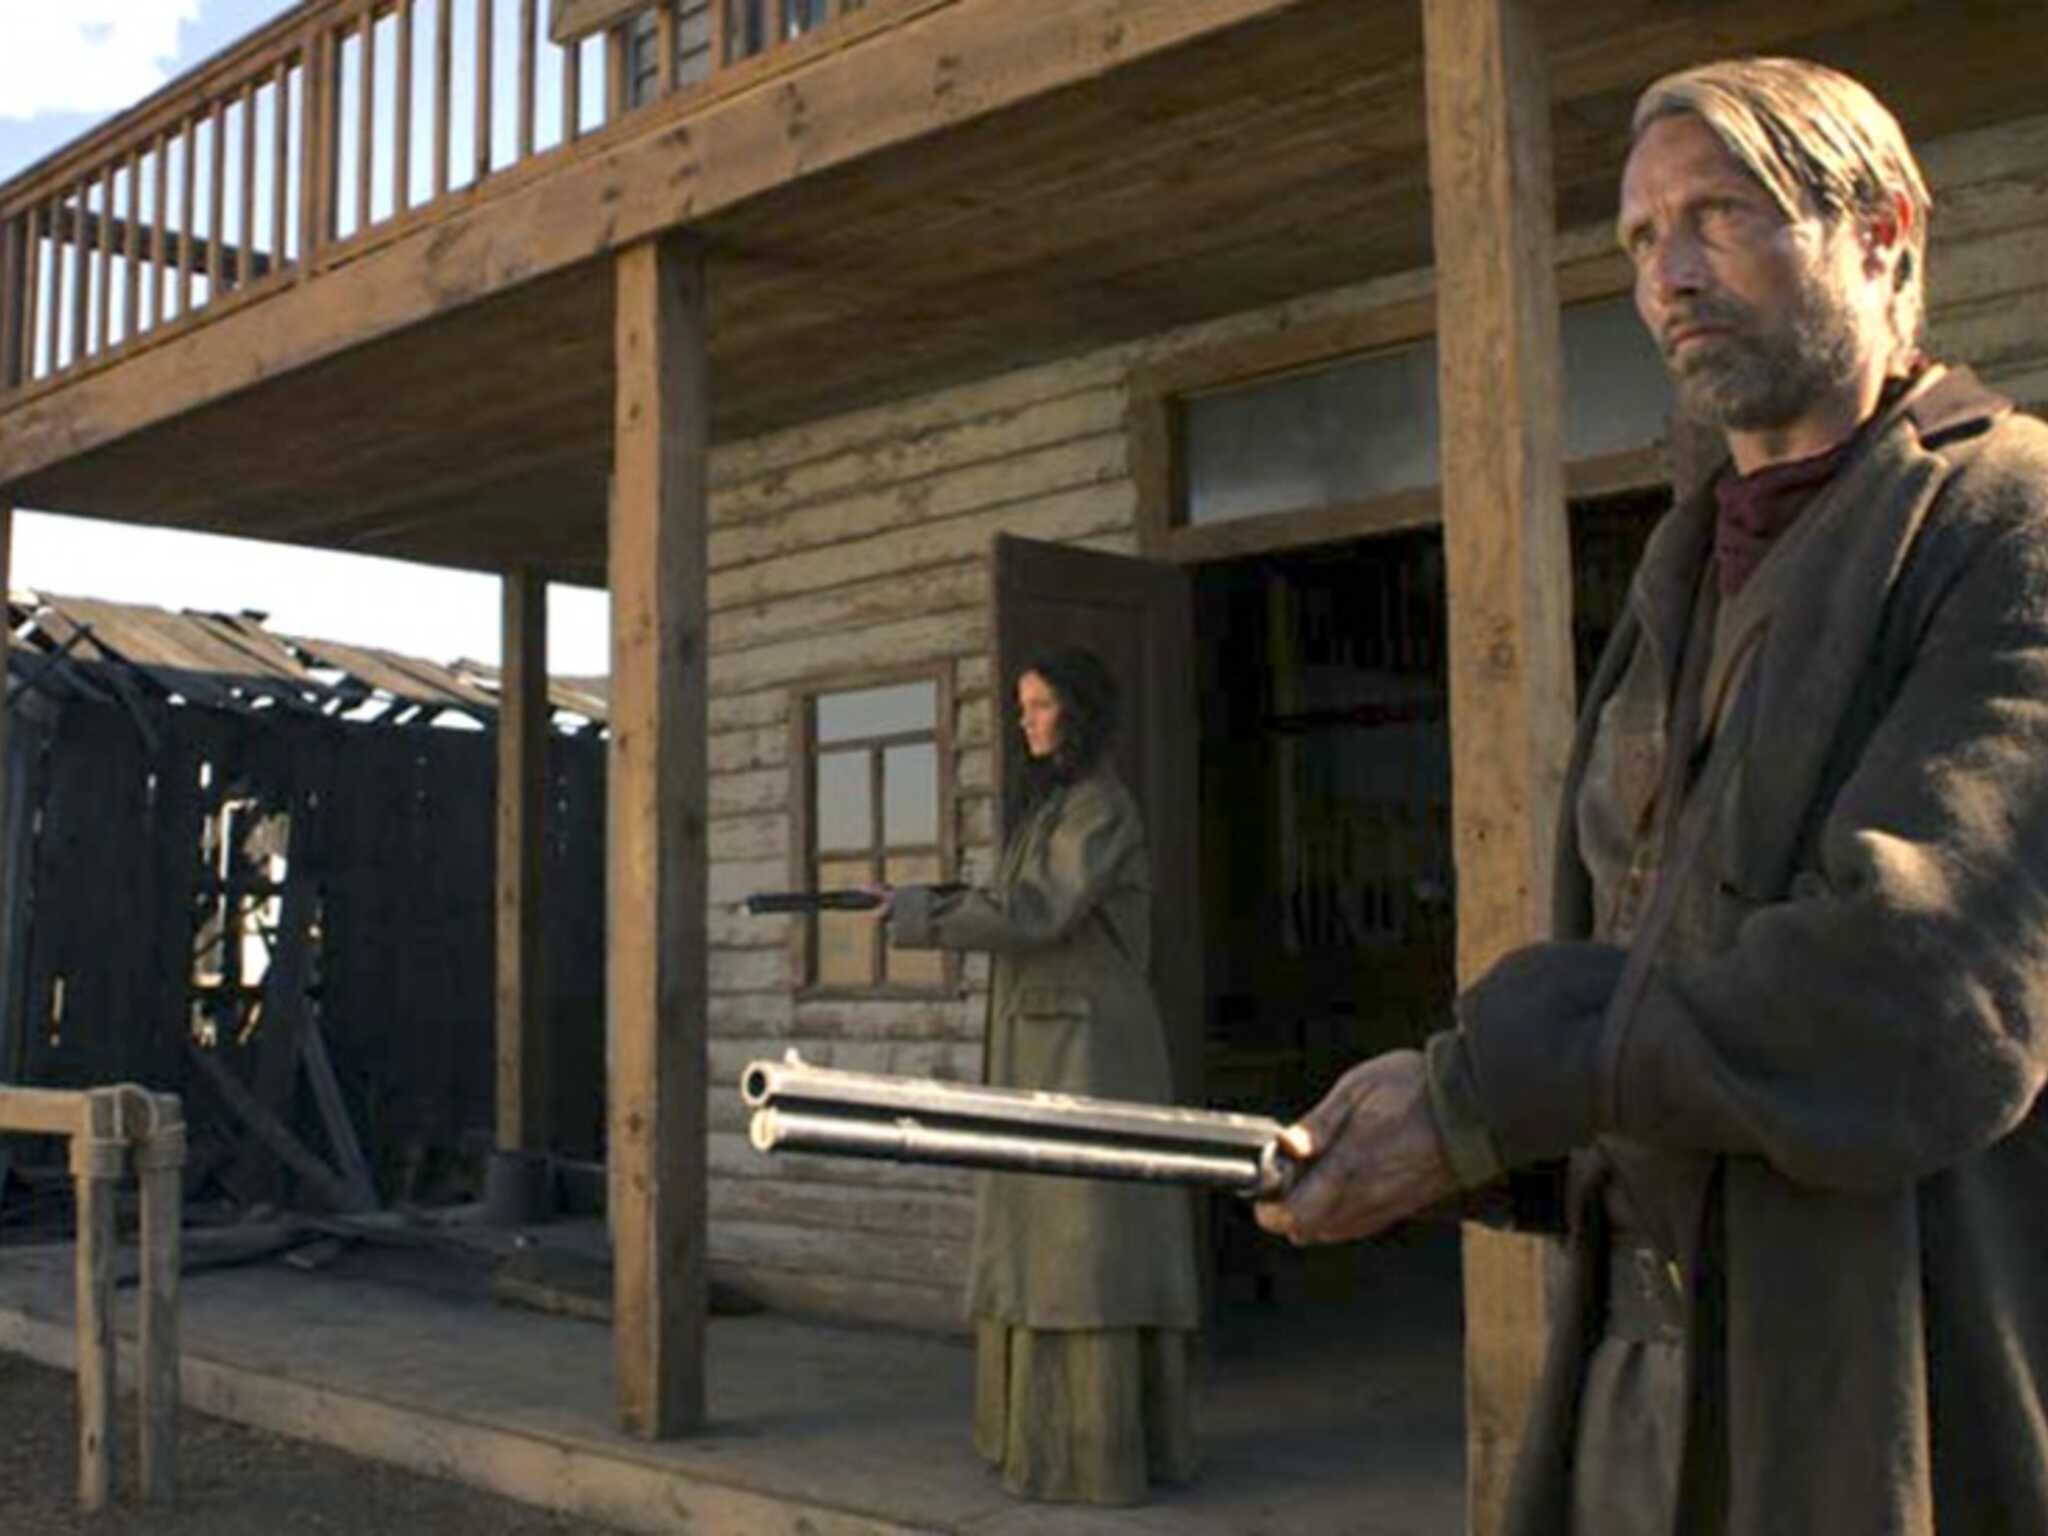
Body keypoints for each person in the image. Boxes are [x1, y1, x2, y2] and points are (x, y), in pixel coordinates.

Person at [1256, 56, 2048, 1536]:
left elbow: (1920, 989)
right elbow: (1640, 957)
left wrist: (1489, 1089)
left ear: (1883, 230)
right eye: (1637, 238)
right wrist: (1454, 1139)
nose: (1666, 276)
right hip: (1631, 1375)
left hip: (1867, 1382)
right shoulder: (1685, 568)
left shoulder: (2004, 518)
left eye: (1719, 216)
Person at [878, 647, 1201, 1506]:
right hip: (1045, 1040)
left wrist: (923, 915)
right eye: (1022, 706)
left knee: (1084, 1236)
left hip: (1090, 1051)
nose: (1025, 721)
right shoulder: (1055, 808)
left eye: (1041, 705)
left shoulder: (1100, 808)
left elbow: (1036, 911)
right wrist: (927, 902)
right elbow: (1013, 901)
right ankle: (1035, 1438)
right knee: (1034, 1231)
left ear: (1079, 712)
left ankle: (1093, 1451)